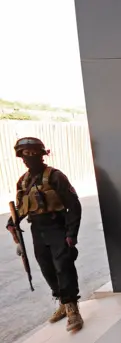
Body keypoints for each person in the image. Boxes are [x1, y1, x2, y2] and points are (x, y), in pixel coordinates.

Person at [5, 137, 83, 332]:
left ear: (41, 155)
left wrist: (71, 233)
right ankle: (62, 303)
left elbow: (73, 205)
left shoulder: (55, 176)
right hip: (37, 230)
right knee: (47, 268)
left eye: (32, 153)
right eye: (25, 154)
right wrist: (12, 223)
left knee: (63, 265)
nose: (28, 158)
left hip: (57, 226)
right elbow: (22, 208)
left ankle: (72, 307)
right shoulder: (22, 182)